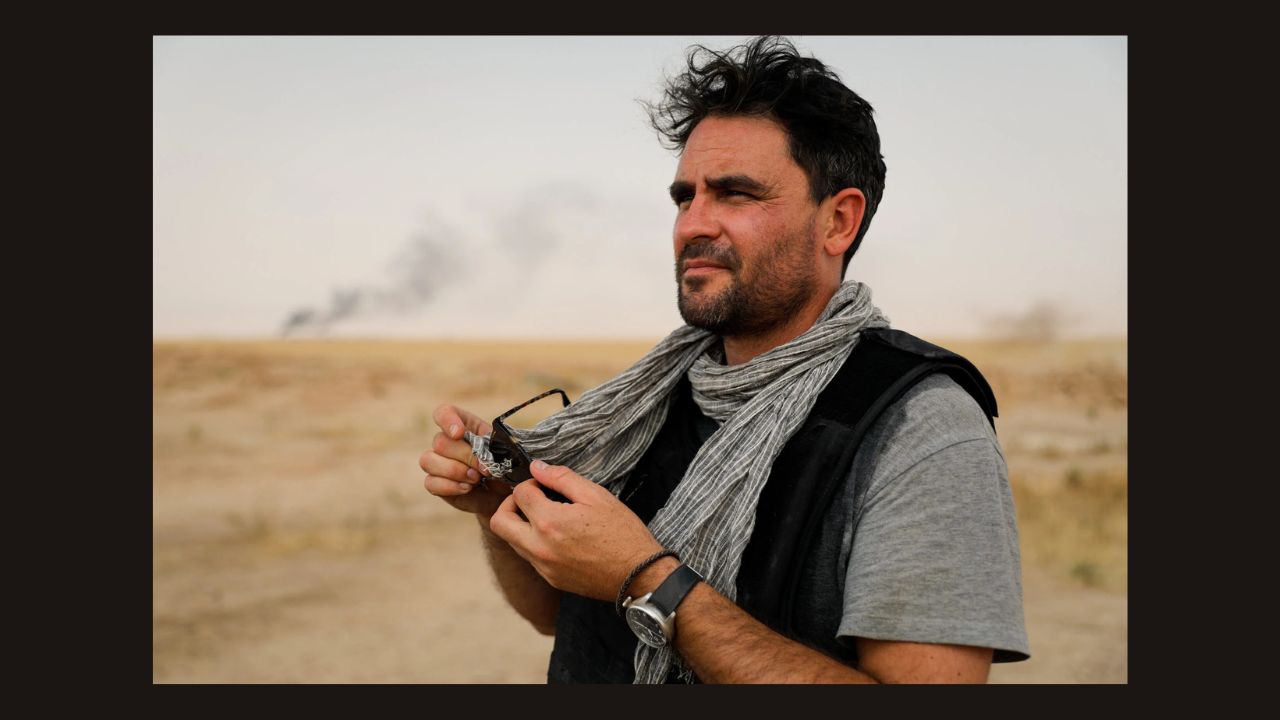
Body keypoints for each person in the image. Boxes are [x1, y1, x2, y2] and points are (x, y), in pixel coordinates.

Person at [420, 35, 1029, 684]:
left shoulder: (920, 429)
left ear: (838, 223)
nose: (692, 225)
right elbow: (560, 616)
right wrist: (500, 505)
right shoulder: (641, 403)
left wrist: (649, 581)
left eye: (735, 194)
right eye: (685, 197)